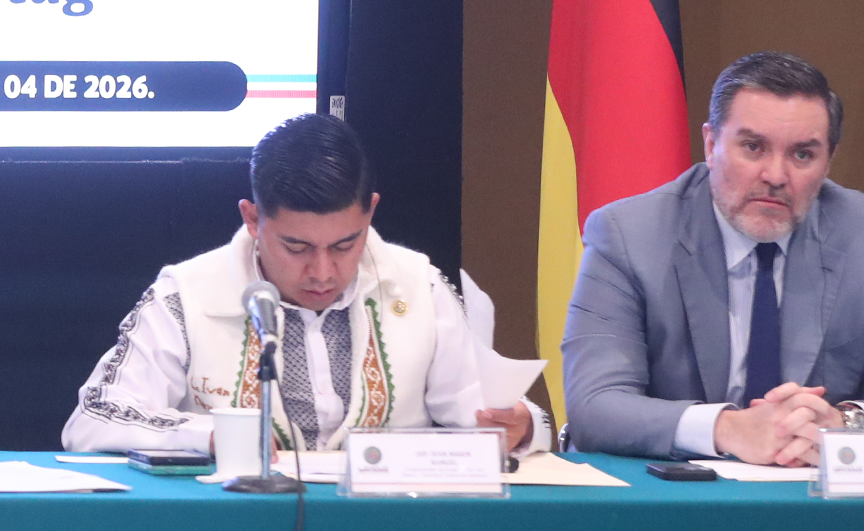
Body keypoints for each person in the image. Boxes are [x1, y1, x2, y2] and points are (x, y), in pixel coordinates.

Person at [63, 113, 545, 457]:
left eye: (345, 245)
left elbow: (478, 410)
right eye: (296, 247)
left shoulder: (420, 285)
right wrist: (206, 435)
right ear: (253, 220)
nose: (322, 271)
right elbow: (94, 418)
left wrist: (520, 426)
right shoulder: (186, 294)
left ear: (371, 212)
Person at [562, 51, 864, 465]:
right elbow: (594, 407)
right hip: (671, 493)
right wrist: (728, 429)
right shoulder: (629, 235)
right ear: (711, 145)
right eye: (753, 147)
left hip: (813, 490)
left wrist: (841, 425)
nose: (775, 176)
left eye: (802, 155)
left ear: (828, 163)